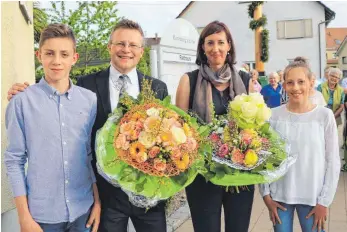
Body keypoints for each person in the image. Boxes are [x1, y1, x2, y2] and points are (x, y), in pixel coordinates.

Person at [7, 19, 168, 232]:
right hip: (104, 198)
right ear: (109, 46)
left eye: (133, 45)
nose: (126, 50)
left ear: (141, 51)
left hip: (147, 200)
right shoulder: (87, 87)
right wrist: (24, 93)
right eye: (120, 43)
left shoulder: (157, 88)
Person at [4, 24, 101, 232]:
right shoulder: (21, 102)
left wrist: (98, 202)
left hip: (83, 210)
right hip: (41, 217)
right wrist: (24, 218)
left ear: (73, 58)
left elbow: (89, 155)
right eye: (49, 53)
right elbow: (14, 160)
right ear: (39, 55)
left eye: (64, 54)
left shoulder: (89, 100)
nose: (57, 61)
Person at [176, 20, 254, 232]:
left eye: (221, 42)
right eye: (210, 43)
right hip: (203, 176)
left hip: (240, 173)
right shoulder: (188, 81)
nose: (215, 48)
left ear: (229, 45)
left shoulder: (246, 81)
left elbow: (256, 129)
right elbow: (179, 131)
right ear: (202, 47)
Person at [260, 57, 340, 232]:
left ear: (311, 83)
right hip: (279, 196)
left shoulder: (324, 116)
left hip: (313, 197)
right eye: (290, 82)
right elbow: (264, 157)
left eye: (301, 82)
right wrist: (266, 195)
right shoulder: (273, 116)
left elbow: (332, 161)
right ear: (284, 85)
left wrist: (324, 201)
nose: (295, 87)